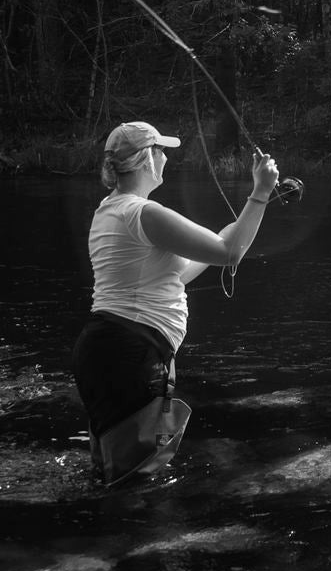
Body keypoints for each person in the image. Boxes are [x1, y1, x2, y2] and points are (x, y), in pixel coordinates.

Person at [72, 120, 279, 485]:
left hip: (106, 350)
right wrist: (260, 192)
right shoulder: (145, 213)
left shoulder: (109, 210)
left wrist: (238, 224)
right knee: (136, 476)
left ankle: (97, 531)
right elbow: (230, 255)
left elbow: (177, 274)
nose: (166, 158)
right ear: (146, 159)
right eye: (161, 151)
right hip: (130, 354)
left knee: (114, 469)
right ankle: (128, 535)